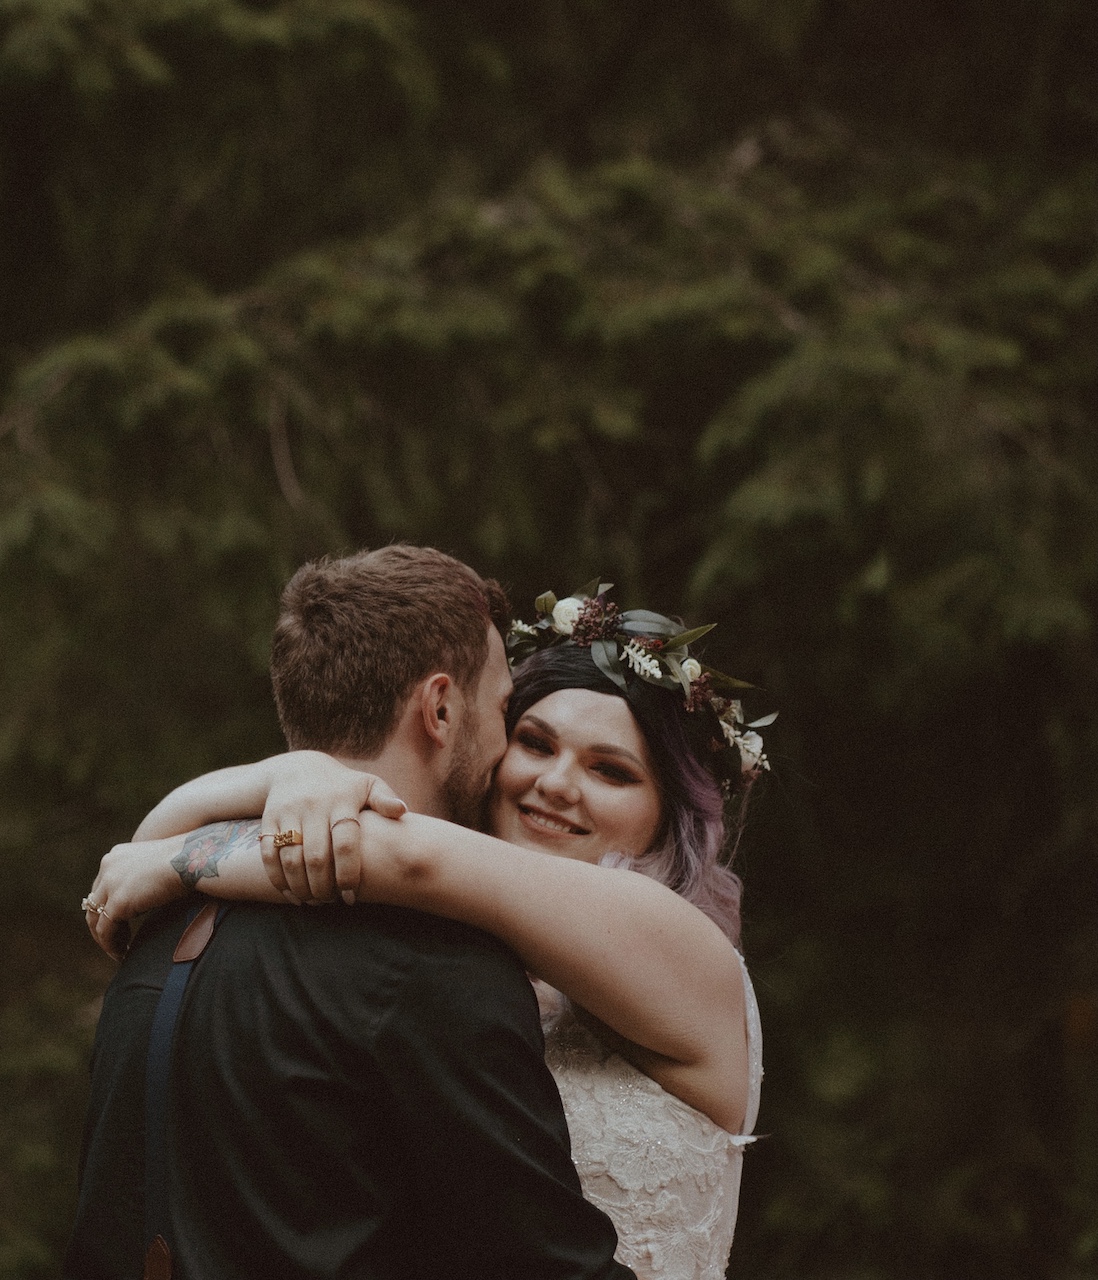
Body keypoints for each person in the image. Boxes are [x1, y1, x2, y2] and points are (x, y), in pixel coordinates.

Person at [86, 584, 768, 1280]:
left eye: (610, 771)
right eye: (533, 742)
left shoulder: (684, 946)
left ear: (669, 814)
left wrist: (169, 856)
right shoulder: (467, 954)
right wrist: (292, 773)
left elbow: (406, 856)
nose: (558, 783)